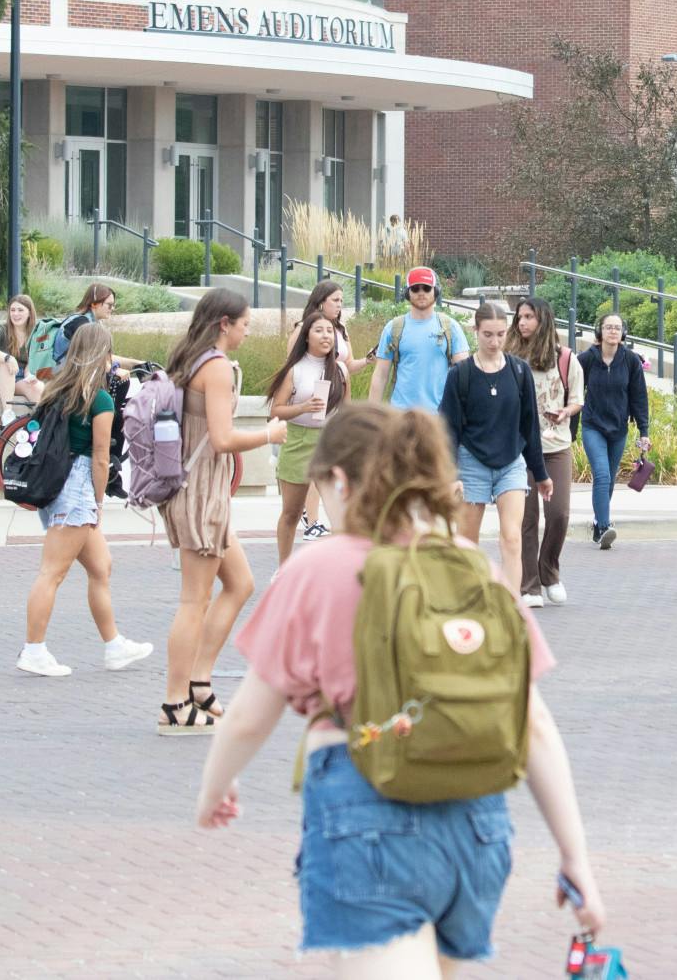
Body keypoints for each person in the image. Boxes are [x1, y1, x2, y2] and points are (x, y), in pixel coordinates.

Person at [192, 402, 605, 975]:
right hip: (476, 823)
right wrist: (574, 855)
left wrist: (215, 789)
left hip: (366, 809)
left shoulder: (317, 568)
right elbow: (531, 722)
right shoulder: (470, 566)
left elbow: (245, 719)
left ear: (338, 480)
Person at [158, 290, 284, 734]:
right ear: (225, 323)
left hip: (199, 491)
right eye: (246, 322)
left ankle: (198, 680)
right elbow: (223, 437)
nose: (250, 329)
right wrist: (269, 433)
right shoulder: (214, 368)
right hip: (201, 493)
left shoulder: (195, 359)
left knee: (241, 583)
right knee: (194, 600)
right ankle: (174, 703)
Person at [17, 322, 154, 680]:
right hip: (76, 486)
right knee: (52, 572)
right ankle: (34, 649)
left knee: (101, 566)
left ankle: (114, 645)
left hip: (54, 483)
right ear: (104, 355)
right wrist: (97, 503)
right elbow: (100, 456)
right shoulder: (100, 399)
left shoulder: (56, 390)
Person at [441, 302, 549, 595]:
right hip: (471, 461)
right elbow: (448, 428)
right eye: (488, 334)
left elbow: (529, 426)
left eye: (501, 334)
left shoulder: (519, 371)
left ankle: (512, 606)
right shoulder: (460, 374)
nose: (494, 341)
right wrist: (450, 475)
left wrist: (540, 473)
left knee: (512, 537)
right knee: (467, 541)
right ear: (475, 331)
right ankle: (465, 598)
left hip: (510, 462)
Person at [510, 298, 583, 608]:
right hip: (522, 448)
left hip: (557, 446)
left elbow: (577, 399)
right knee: (526, 519)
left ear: (544, 321)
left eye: (530, 317)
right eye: (520, 317)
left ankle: (549, 571)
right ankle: (529, 586)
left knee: (559, 515)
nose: (523, 322)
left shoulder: (566, 359)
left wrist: (565, 412)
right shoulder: (509, 358)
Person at [268, 311, 347, 566]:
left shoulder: (341, 370)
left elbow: (346, 410)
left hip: (330, 444)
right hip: (298, 440)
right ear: (307, 336)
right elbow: (276, 410)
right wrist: (303, 407)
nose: (326, 336)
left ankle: (340, 569)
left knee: (340, 514)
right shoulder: (295, 369)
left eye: (329, 331)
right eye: (319, 331)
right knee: (291, 512)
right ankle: (283, 567)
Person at [288, 282, 365, 543]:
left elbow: (348, 365)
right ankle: (312, 520)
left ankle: (330, 522)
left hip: (336, 396)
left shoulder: (341, 330)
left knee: (332, 467)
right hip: (312, 400)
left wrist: (369, 360)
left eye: (342, 301)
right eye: (335, 300)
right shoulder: (303, 329)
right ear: (321, 302)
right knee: (315, 466)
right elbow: (293, 363)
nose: (340, 305)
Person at [577, 312, 648, 551]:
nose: (613, 331)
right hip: (593, 426)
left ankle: (598, 523)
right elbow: (575, 393)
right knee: (602, 475)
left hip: (618, 428)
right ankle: (604, 526)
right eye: (609, 327)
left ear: (623, 333)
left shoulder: (630, 361)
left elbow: (639, 397)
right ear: (600, 331)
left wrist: (643, 430)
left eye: (617, 328)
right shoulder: (586, 359)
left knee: (609, 479)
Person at [368, 266, 470, 413]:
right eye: (415, 288)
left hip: (439, 417)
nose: (421, 293)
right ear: (407, 293)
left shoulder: (451, 327)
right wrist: (372, 415)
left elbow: (463, 374)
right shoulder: (393, 327)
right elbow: (380, 375)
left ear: (436, 291)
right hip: (401, 416)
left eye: (426, 288)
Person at [0, 293, 43, 426]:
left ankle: (42, 423)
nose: (16, 314)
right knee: (6, 365)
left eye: (20, 310)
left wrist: (30, 377)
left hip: (19, 378)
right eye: (13, 310)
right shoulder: (2, 329)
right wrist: (7, 358)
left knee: (37, 387)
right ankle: (8, 416)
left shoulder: (36, 334)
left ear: (29, 313)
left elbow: (30, 365)